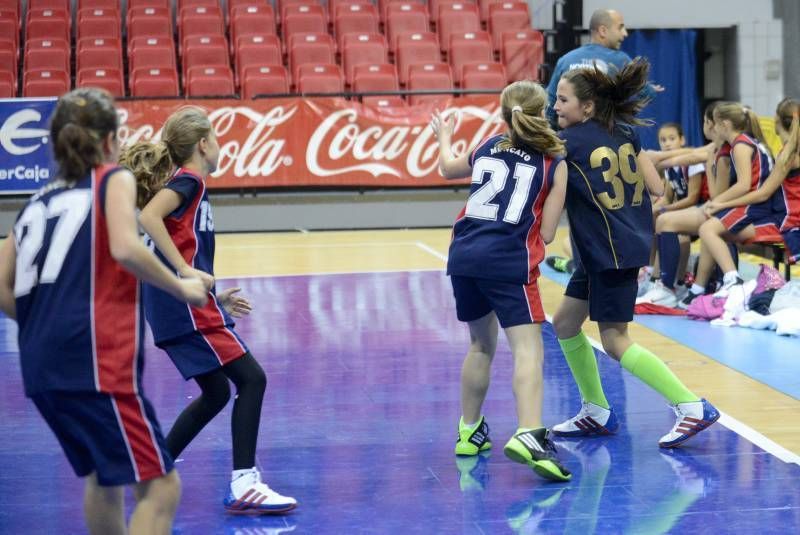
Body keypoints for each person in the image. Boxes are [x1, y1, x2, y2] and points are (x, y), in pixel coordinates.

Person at [0, 88, 209, 535]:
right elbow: (125, 246)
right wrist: (181, 285)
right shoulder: (112, 179)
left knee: (104, 476)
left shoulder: (38, 201)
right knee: (160, 488)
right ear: (111, 141)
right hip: (93, 363)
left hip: (39, 366)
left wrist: (41, 322)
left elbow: (2, 282)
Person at [123, 106, 297, 513]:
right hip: (180, 307)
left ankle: (153, 468)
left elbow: (178, 247)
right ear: (203, 144)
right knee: (252, 379)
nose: (219, 145)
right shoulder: (189, 181)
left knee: (217, 391)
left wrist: (212, 292)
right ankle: (244, 483)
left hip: (173, 305)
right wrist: (185, 271)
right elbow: (149, 217)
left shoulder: (187, 185)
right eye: (216, 137)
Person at [550, 59, 719, 448]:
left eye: (562, 100)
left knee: (615, 340)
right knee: (564, 324)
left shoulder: (569, 144)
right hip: (612, 248)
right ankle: (596, 411)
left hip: (609, 252)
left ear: (587, 107)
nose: (555, 106)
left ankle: (690, 406)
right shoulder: (624, 130)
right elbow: (658, 187)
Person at [431, 80, 571, 481]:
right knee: (528, 350)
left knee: (480, 345)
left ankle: (469, 430)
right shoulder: (553, 163)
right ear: (541, 113)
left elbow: (446, 168)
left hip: (464, 255)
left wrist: (444, 136)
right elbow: (545, 234)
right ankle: (529, 433)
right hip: (510, 261)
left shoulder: (488, 145)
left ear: (504, 115)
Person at [681, 102, 775, 303]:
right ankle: (700, 287)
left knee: (707, 229)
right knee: (710, 228)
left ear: (724, 124)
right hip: (757, 205)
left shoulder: (740, 145)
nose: (713, 128)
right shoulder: (743, 142)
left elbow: (743, 186)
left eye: (714, 123)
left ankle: (733, 280)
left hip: (759, 208)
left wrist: (719, 203)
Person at [702, 100, 800, 282]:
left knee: (715, 231)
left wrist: (721, 203)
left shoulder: (789, 154)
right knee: (718, 229)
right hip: (781, 214)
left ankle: (730, 283)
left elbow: (763, 193)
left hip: (789, 222)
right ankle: (722, 283)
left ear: (777, 121)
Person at [546, 8, 663, 129]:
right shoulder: (620, 60)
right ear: (603, 31)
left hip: (568, 138)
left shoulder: (565, 59)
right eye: (620, 27)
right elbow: (646, 95)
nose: (625, 33)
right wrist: (650, 89)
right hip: (607, 138)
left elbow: (550, 104)